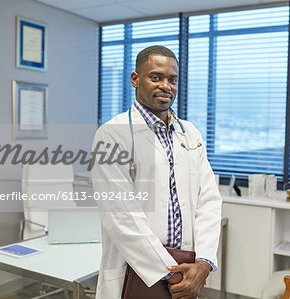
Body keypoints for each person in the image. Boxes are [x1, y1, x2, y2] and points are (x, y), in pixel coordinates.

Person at [91, 45, 222, 299]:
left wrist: (204, 264)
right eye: (156, 77)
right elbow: (121, 217)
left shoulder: (190, 133)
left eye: (172, 79)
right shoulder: (111, 135)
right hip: (139, 271)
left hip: (188, 270)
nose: (166, 85)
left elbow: (208, 200)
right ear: (135, 79)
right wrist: (172, 273)